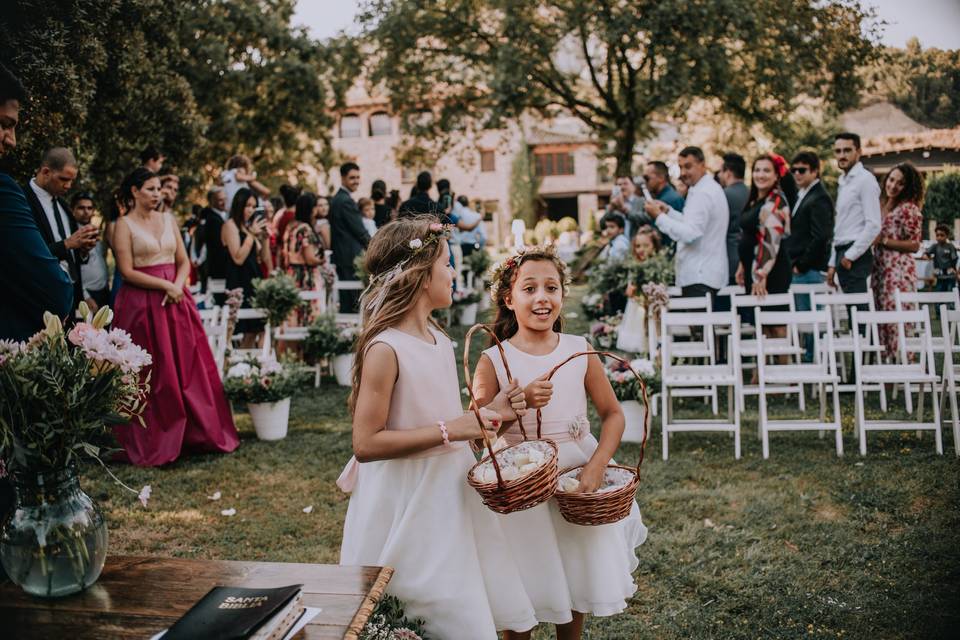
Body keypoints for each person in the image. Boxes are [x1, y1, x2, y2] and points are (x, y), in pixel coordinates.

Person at [337, 217, 538, 640]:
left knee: (460, 594)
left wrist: (494, 411)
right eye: (446, 264)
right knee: (419, 600)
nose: (452, 273)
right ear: (417, 274)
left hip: (450, 490)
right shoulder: (385, 348)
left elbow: (451, 417)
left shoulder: (436, 336)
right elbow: (366, 442)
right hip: (407, 498)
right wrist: (455, 429)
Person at [472, 245, 646, 640]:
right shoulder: (495, 360)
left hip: (574, 476)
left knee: (575, 579)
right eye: (529, 288)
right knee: (524, 585)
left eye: (551, 287)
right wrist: (516, 407)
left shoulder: (579, 348)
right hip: (521, 485)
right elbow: (479, 430)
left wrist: (597, 464)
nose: (541, 298)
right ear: (508, 298)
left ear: (563, 295)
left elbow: (613, 414)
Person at [111, 167, 238, 466]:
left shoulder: (169, 219)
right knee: (151, 374)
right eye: (151, 189)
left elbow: (183, 260)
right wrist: (165, 285)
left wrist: (178, 284)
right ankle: (153, 438)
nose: (157, 194)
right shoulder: (123, 225)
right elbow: (127, 271)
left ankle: (193, 433)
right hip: (141, 304)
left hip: (177, 300)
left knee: (187, 366)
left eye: (159, 189)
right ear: (135, 191)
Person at [0, 65, 74, 340]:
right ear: (45, 172)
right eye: (5, 125)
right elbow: (54, 292)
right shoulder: (7, 192)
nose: (12, 141)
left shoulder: (64, 209)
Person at [645, 146, 729, 302]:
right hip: (703, 274)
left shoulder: (703, 193)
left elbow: (690, 234)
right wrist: (668, 212)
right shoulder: (703, 188)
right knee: (702, 326)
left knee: (699, 325)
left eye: (688, 166)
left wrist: (659, 217)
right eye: (681, 167)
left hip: (700, 275)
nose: (683, 173)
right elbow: (693, 223)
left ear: (702, 164)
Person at [23, 147, 99, 310]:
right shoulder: (23, 201)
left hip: (69, 296)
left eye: (72, 181)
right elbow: (26, 255)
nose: (68, 186)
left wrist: (83, 249)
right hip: (38, 297)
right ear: (45, 172)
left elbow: (71, 254)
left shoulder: (63, 206)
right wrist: (67, 244)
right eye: (64, 179)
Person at [872, 162, 924, 359]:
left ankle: (903, 363)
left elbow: (914, 245)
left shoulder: (908, 209)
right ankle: (887, 364)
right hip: (880, 270)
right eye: (891, 180)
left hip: (898, 272)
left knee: (897, 319)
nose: (893, 186)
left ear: (908, 187)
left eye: (900, 183)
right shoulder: (882, 205)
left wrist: (884, 240)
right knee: (883, 317)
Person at [827, 132, 882, 294]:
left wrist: (850, 256)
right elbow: (841, 225)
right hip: (841, 250)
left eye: (847, 150)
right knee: (852, 312)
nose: (842, 155)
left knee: (859, 312)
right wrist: (832, 262)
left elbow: (874, 224)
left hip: (855, 254)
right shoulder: (843, 182)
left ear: (858, 152)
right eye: (838, 151)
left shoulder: (865, 180)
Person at [736, 154, 793, 299]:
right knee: (757, 319)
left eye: (766, 171)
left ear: (776, 176)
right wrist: (743, 264)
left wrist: (761, 273)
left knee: (771, 319)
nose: (760, 175)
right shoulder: (755, 201)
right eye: (757, 170)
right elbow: (750, 234)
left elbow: (770, 241)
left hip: (770, 272)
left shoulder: (775, 203)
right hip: (753, 269)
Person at [222, 187, 273, 346]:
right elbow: (238, 258)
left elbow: (263, 258)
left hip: (253, 281)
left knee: (256, 329)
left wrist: (264, 238)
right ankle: (235, 365)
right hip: (239, 282)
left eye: (254, 206)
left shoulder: (249, 226)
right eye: (248, 206)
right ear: (239, 205)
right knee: (242, 329)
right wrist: (251, 235)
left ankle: (246, 366)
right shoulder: (230, 226)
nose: (251, 210)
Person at [330, 162, 371, 312]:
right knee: (353, 303)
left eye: (358, 177)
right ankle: (353, 334)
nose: (356, 181)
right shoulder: (345, 201)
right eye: (352, 178)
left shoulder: (338, 199)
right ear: (342, 178)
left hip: (343, 257)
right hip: (350, 259)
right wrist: (376, 248)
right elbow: (360, 232)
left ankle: (349, 333)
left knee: (348, 301)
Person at [283, 192, 326, 322]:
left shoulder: (291, 226)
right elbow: (310, 259)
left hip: (292, 273)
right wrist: (323, 260)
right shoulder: (305, 228)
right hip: (304, 276)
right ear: (311, 209)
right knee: (307, 316)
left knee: (295, 316)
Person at [70, 192, 110, 311]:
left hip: (103, 290)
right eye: (81, 208)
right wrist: (84, 296)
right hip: (86, 294)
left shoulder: (94, 230)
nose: (86, 211)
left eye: (89, 208)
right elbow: (70, 268)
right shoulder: (71, 234)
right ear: (73, 210)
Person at [717, 153, 749, 290]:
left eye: (720, 171)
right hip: (748, 258)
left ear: (728, 173)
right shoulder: (751, 193)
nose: (719, 175)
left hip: (729, 261)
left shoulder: (723, 195)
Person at [198, 187, 229, 304]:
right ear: (212, 201)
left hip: (218, 267)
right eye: (220, 200)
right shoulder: (212, 220)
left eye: (225, 199)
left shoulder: (220, 216)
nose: (224, 202)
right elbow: (218, 247)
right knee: (221, 301)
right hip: (218, 267)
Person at [606, 174, 646, 240]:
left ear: (634, 186)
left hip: (635, 242)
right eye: (619, 185)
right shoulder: (613, 204)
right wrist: (611, 208)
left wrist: (624, 210)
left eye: (625, 184)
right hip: (618, 243)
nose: (622, 187)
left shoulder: (641, 201)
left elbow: (644, 220)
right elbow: (602, 224)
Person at [925, 224, 959, 292]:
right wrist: (927, 256)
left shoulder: (950, 246)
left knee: (950, 293)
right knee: (939, 293)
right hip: (939, 275)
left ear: (947, 236)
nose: (939, 237)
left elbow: (954, 259)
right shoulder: (935, 246)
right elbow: (926, 253)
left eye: (942, 235)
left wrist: (955, 271)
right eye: (937, 235)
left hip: (950, 275)